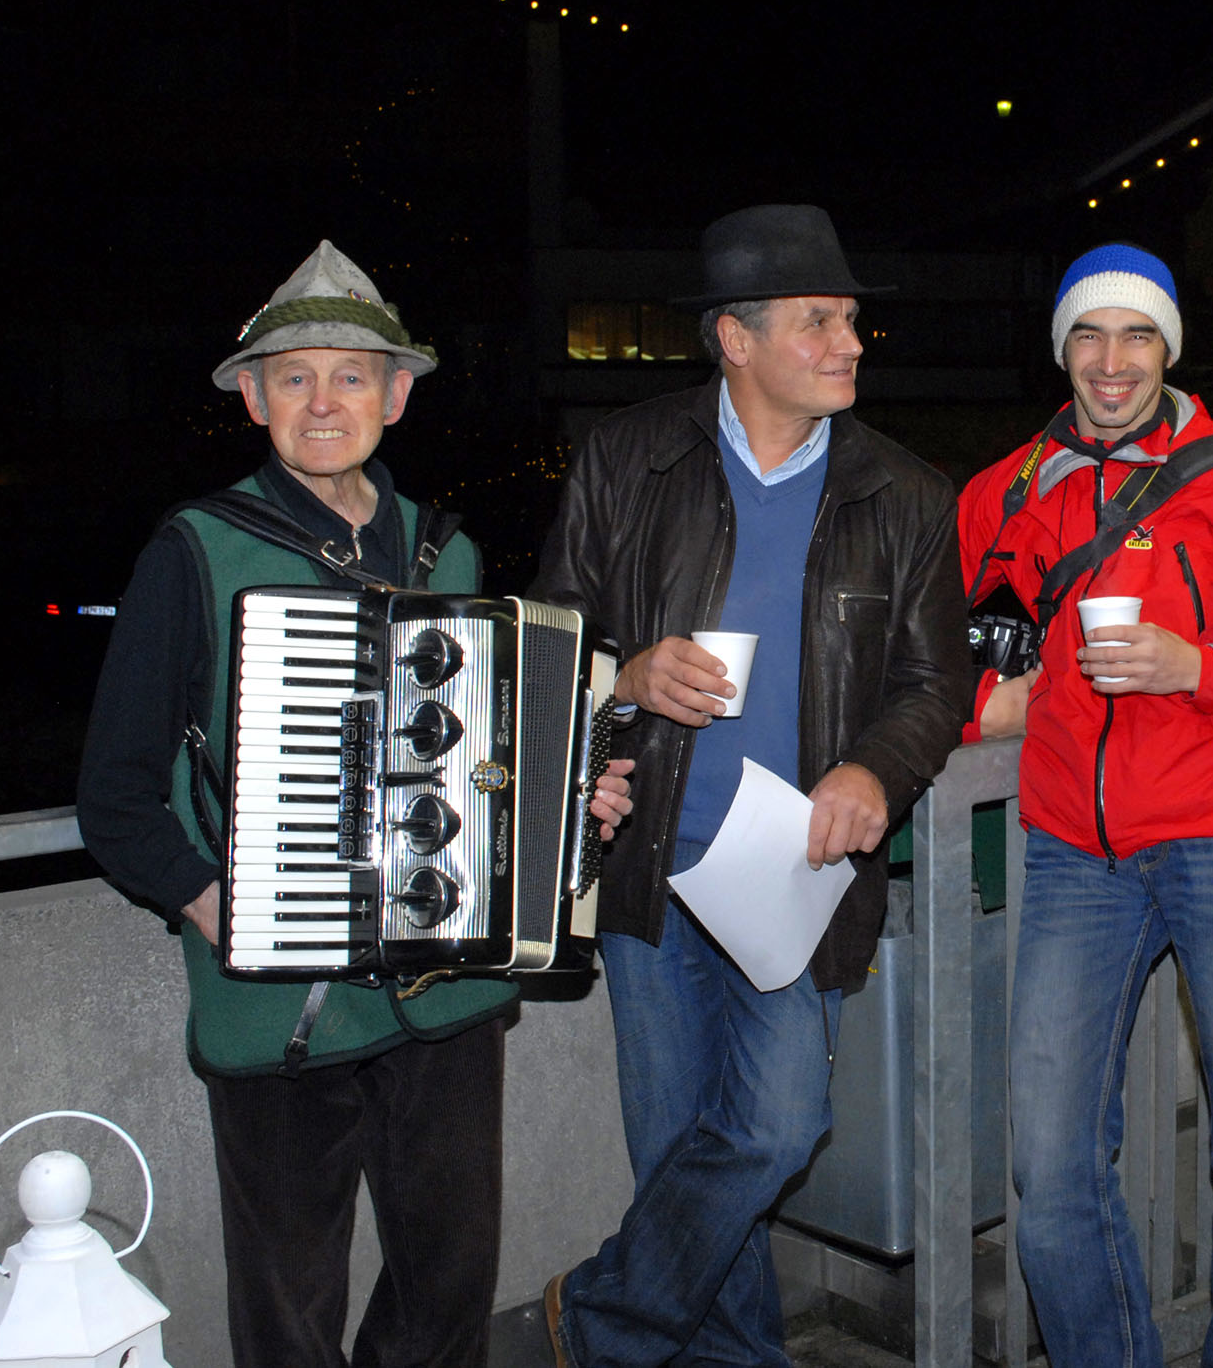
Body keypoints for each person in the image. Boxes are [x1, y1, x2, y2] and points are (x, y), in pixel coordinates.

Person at [77, 242, 635, 1368]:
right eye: (294, 378)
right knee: (288, 1310)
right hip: (280, 1005)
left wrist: (570, 801)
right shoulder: (196, 551)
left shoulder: (448, 549)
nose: (323, 402)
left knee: (450, 1286)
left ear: (396, 396)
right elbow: (115, 793)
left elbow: (484, 763)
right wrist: (216, 901)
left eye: (350, 376)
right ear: (253, 399)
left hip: (447, 995)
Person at [531, 204, 973, 1368]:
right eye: (819, 320)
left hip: (795, 873)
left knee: (775, 1128)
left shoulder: (907, 495)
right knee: (680, 1151)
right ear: (736, 337)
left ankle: (597, 1315)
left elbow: (938, 682)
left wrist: (875, 766)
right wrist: (623, 676)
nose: (850, 342)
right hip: (645, 862)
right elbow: (548, 641)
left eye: (852, 319)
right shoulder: (628, 458)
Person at [961, 242, 1213, 1368]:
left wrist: (1200, 668)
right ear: (1061, 351)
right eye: (1088, 335)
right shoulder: (1005, 493)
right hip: (1074, 852)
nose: (1111, 361)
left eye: (1136, 334)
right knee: (1048, 1164)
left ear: (1168, 349)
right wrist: (985, 704)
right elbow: (925, 653)